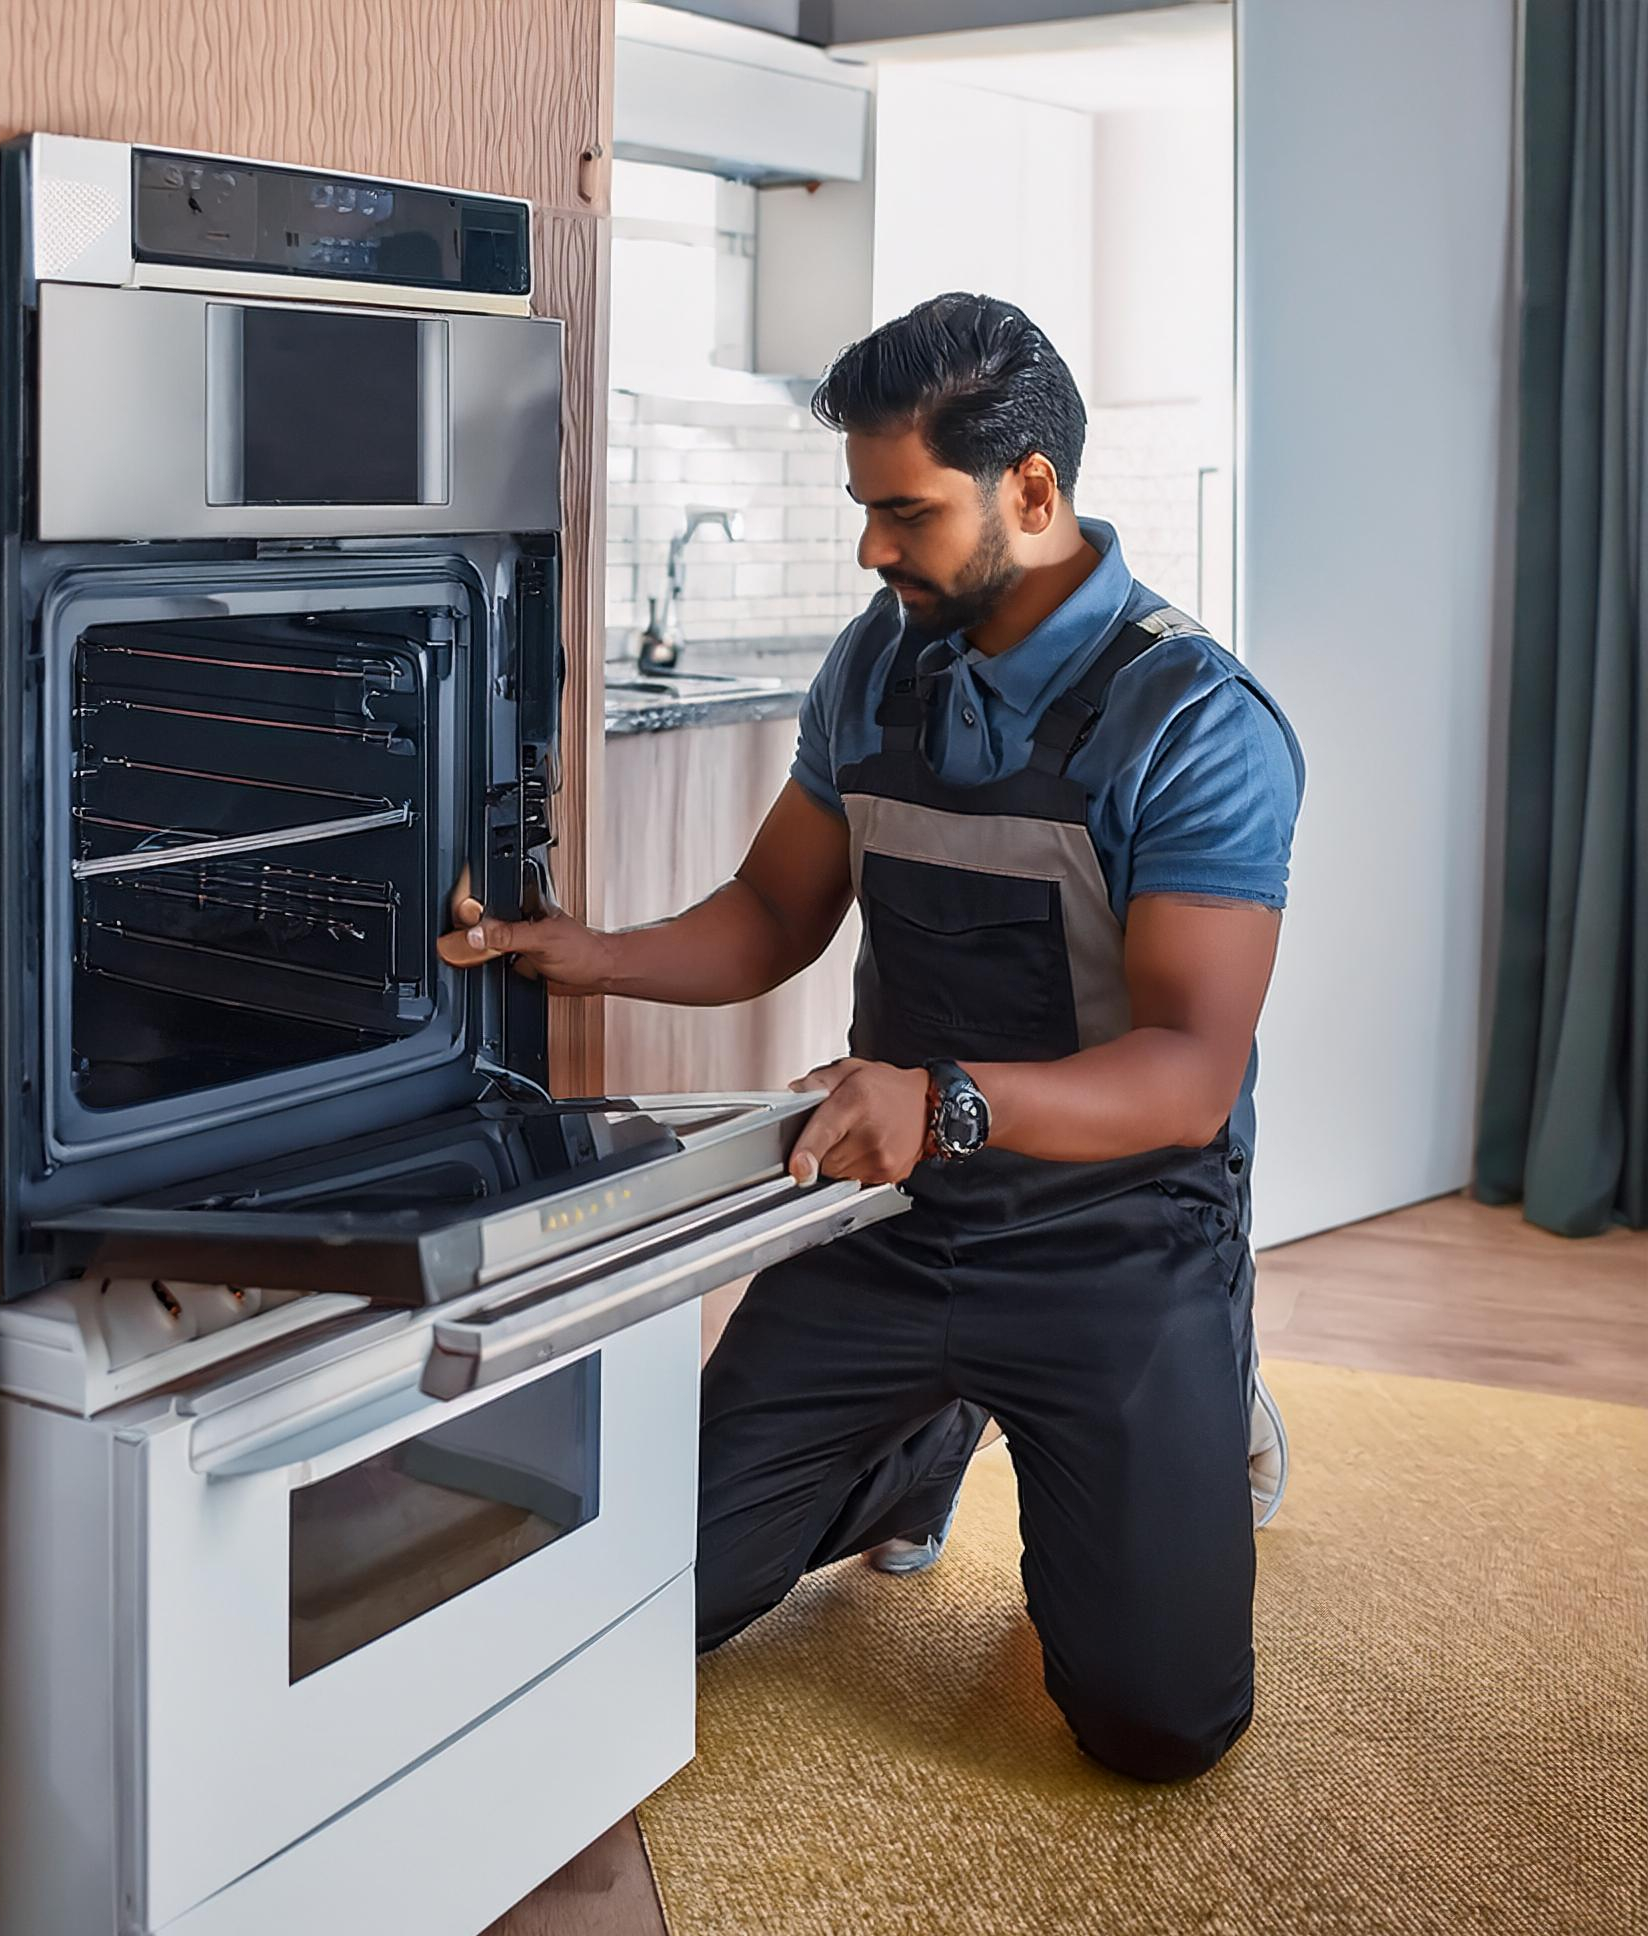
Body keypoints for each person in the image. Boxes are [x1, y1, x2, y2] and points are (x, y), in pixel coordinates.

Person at [441, 293, 1304, 1783]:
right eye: (864, 509)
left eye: (903, 513)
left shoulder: (1196, 725)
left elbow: (1190, 1073)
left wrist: (948, 1102)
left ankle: (1200, 1390)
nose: (870, 550)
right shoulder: (876, 663)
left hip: (1118, 1240)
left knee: (1159, 1726)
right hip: (894, 1223)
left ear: (1031, 490)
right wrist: (581, 959)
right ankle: (931, 1430)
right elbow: (775, 915)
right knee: (644, 1600)